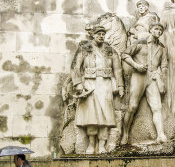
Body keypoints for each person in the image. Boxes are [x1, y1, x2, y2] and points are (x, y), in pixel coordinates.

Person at [71, 24, 124, 154]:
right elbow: (75, 67)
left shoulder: (110, 50)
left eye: (103, 34)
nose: (101, 36)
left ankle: (102, 144)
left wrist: (120, 85)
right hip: (90, 84)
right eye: (98, 34)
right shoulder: (85, 48)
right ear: (93, 35)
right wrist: (78, 84)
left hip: (105, 85)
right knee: (91, 116)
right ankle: (91, 143)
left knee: (106, 117)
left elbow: (117, 69)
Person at [121, 23, 168, 144]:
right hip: (139, 75)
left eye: (160, 30)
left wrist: (161, 77)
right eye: (156, 29)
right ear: (150, 30)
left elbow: (164, 66)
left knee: (157, 107)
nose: (158, 32)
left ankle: (161, 135)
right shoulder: (141, 42)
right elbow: (124, 54)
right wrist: (136, 65)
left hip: (152, 77)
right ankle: (125, 134)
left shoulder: (162, 47)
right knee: (132, 106)